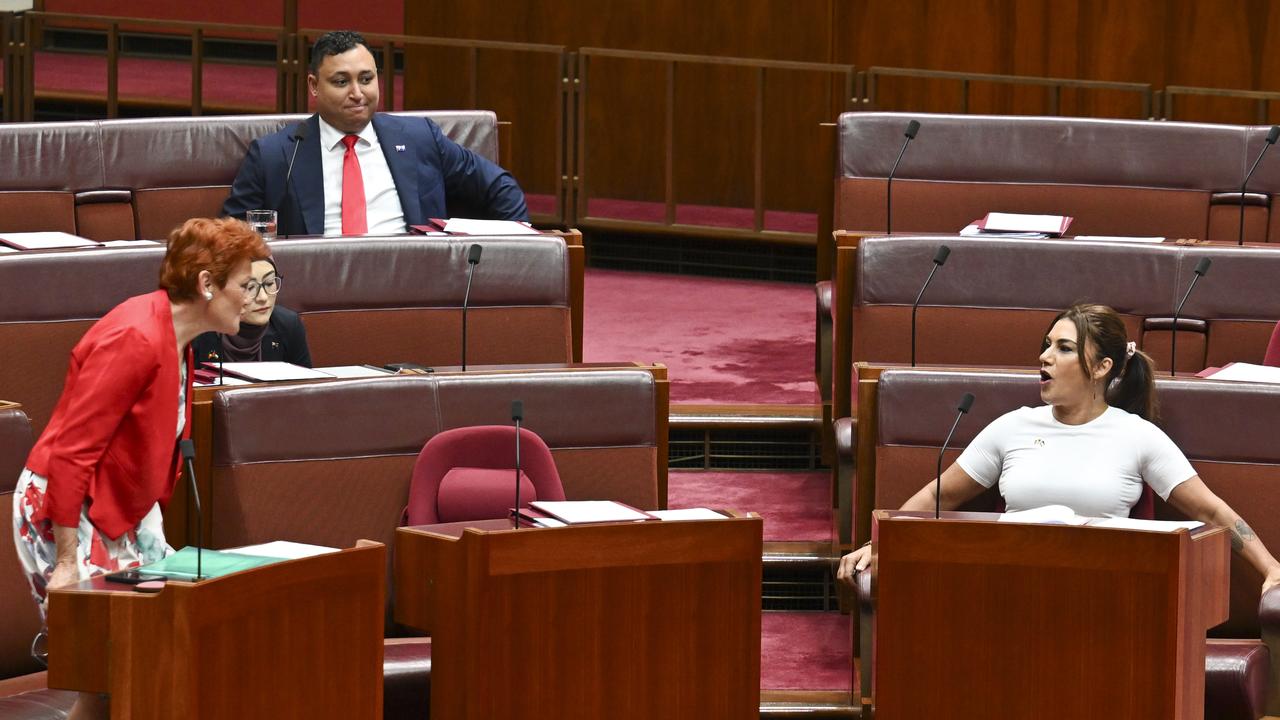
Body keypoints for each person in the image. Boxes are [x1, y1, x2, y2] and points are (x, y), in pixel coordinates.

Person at [836, 303, 1280, 594]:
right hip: (1006, 585)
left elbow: (1213, 513)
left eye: (1063, 348)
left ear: (1102, 367)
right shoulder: (1012, 427)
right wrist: (879, 545)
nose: (1045, 357)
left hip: (1102, 594)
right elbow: (936, 498)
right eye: (1046, 345)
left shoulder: (1137, 436)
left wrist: (1270, 568)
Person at [11, 218, 267, 720]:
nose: (253, 297)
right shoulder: (135, 336)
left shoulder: (179, 338)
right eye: (245, 283)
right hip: (62, 510)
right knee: (109, 669)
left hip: (114, 509)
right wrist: (66, 562)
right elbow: (72, 450)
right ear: (207, 284)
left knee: (132, 664)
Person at [222, 29, 528, 237]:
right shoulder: (276, 155)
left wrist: (511, 255)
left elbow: (500, 187)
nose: (358, 93)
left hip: (413, 289)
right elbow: (229, 236)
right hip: (317, 296)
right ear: (314, 86)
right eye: (341, 82)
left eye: (366, 79)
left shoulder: (419, 137)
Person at [191, 257, 312, 367]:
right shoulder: (197, 330)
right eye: (249, 287)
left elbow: (306, 388)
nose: (263, 297)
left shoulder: (288, 325)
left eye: (269, 283)